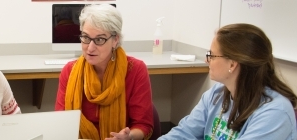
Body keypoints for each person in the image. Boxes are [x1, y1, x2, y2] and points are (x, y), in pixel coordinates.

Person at [159, 23, 297, 140]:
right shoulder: (216, 94)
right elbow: (183, 133)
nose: (207, 60)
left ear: (232, 64)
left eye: (211, 55)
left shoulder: (275, 112)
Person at [55, 4, 154, 140]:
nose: (90, 48)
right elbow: (60, 123)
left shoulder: (135, 70)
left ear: (115, 40)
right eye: (85, 37)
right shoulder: (70, 71)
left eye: (99, 39)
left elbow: (143, 125)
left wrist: (129, 136)